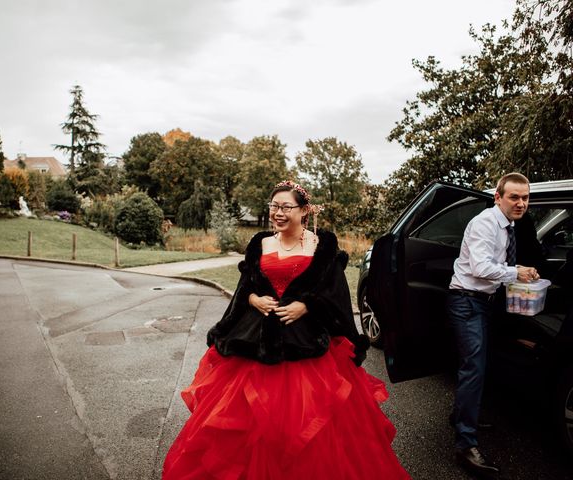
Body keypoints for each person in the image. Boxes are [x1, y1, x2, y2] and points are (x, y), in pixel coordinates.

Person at [163, 180, 410, 479]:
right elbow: (247, 285)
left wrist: (307, 306)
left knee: (309, 428)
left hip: (306, 342)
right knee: (249, 424)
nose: (278, 213)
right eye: (274, 207)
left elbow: (335, 292)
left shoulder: (322, 244)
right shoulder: (260, 243)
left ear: (304, 211)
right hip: (256, 340)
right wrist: (253, 299)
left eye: (286, 207)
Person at [447, 172, 539, 478]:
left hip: (483, 302)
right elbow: (481, 266)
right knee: (474, 367)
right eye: (514, 197)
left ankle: (462, 414)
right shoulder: (486, 223)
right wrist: (517, 273)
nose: (521, 203)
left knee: (479, 363)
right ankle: (465, 446)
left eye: (525, 197)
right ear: (498, 197)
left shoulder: (509, 225)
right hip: (466, 301)